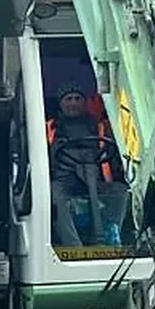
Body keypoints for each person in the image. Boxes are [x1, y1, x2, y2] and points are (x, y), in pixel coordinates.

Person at [46, 84, 124, 246]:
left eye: (77, 99)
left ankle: (110, 236)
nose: (73, 103)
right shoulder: (51, 127)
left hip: (94, 177)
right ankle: (74, 245)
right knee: (55, 196)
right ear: (60, 103)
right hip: (64, 179)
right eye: (68, 99)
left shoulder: (98, 126)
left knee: (120, 192)